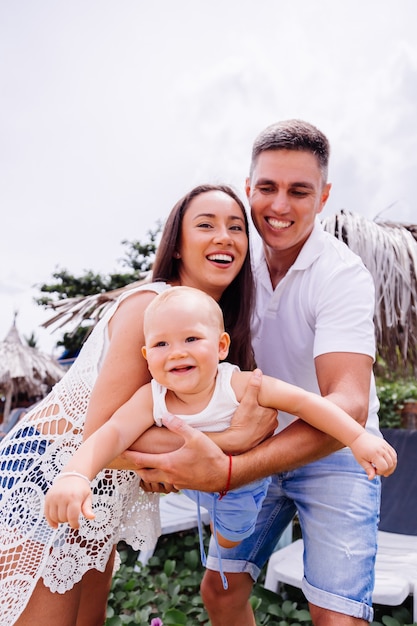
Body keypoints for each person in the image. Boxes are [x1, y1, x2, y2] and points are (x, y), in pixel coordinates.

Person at [125, 120, 394, 626]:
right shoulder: (229, 263)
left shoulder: (341, 275)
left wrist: (231, 467)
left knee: (338, 617)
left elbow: (350, 405)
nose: (279, 205)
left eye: (299, 191)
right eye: (267, 188)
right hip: (251, 440)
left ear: (324, 195)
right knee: (220, 594)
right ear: (248, 188)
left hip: (334, 446)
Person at [0, 184, 277, 626]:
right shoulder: (150, 303)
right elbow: (100, 432)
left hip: (104, 490)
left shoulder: (216, 333)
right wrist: (232, 439)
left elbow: (174, 438)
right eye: (206, 225)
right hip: (51, 474)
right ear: (178, 246)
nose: (224, 236)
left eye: (236, 227)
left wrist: (181, 468)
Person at [44, 286, 395, 589]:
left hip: (239, 485)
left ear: (222, 346)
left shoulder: (237, 384)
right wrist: (75, 475)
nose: (177, 351)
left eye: (191, 339)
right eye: (161, 344)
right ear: (147, 356)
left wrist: (358, 438)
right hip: (189, 481)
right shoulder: (149, 396)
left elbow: (307, 402)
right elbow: (111, 433)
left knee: (229, 538)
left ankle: (223, 524)